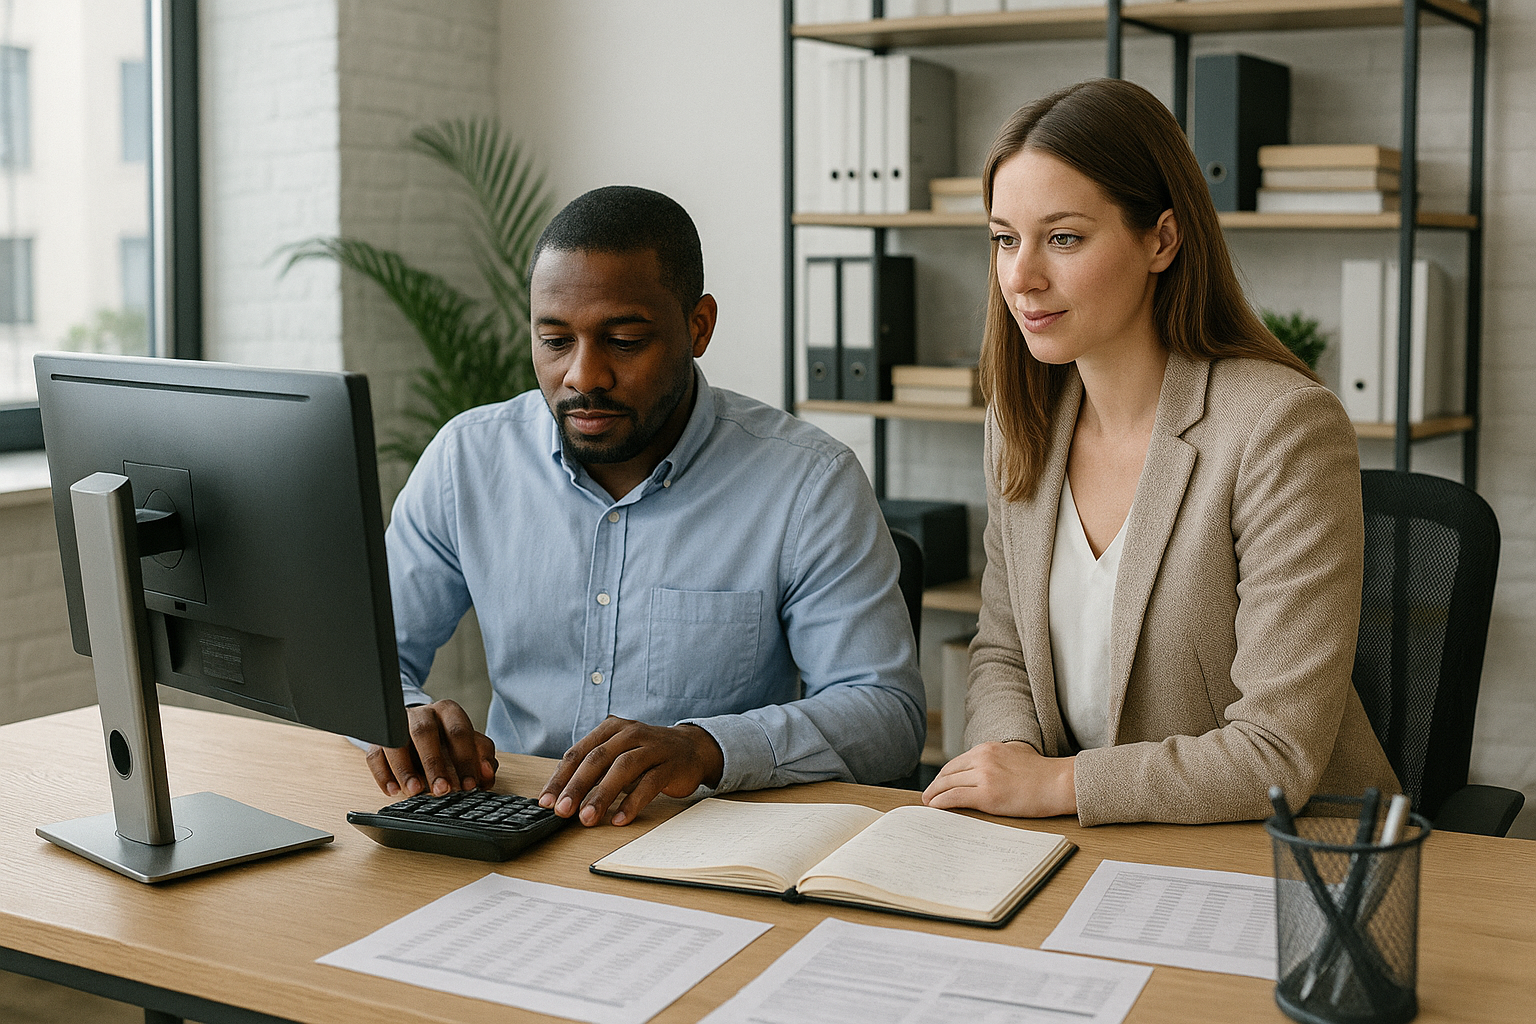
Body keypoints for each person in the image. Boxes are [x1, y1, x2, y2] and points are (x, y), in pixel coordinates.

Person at [368, 185, 925, 827]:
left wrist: (706, 748)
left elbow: (887, 713)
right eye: (554, 342)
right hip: (511, 827)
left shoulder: (807, 482)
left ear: (698, 327)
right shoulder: (468, 460)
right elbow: (370, 658)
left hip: (705, 842)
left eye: (625, 341)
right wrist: (402, 715)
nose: (583, 376)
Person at [921, 80, 1400, 826]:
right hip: (1086, 850)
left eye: (1065, 238)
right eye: (1004, 238)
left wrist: (1058, 786)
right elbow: (1003, 653)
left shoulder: (1281, 429)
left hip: (1285, 854)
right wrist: (1008, 764)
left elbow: (1276, 750)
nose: (1021, 277)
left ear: (1162, 240)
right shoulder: (1021, 422)